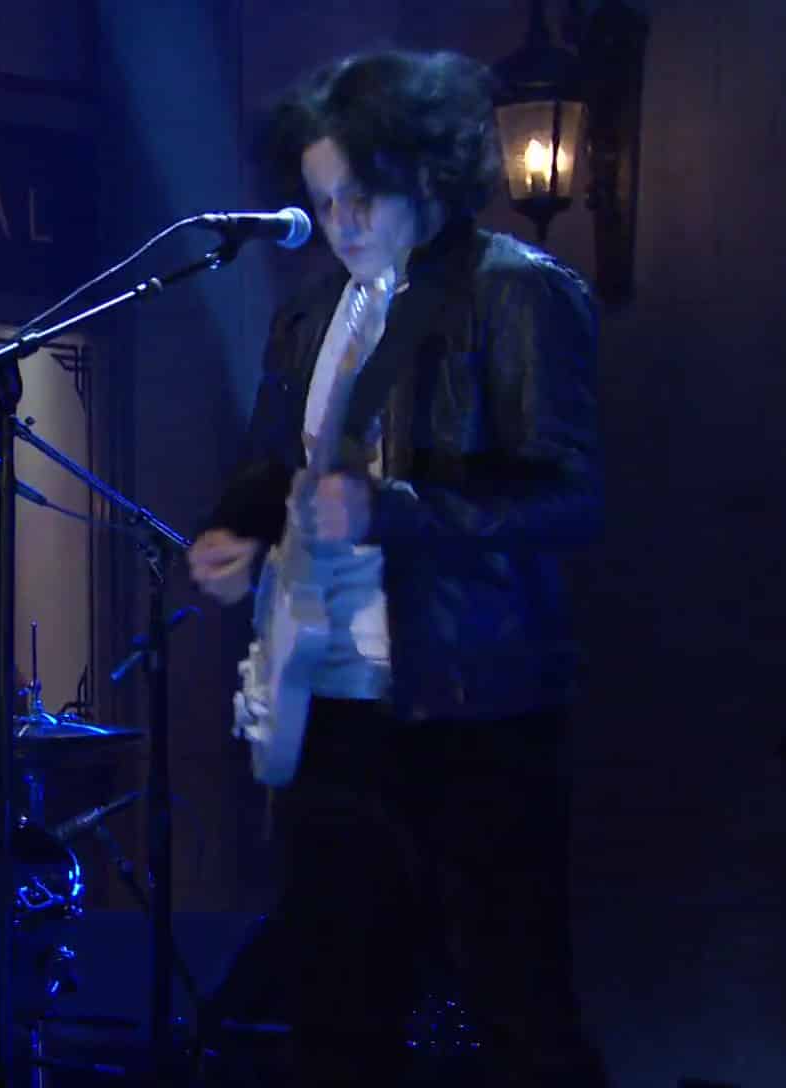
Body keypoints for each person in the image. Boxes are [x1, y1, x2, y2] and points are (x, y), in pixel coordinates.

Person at [190, 50, 608, 1086]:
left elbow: (571, 497)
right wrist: (236, 531)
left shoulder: (516, 292)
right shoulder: (309, 311)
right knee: (334, 1019)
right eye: (323, 200)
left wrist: (398, 512)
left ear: (427, 173)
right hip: (332, 707)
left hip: (474, 710)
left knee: (521, 1014)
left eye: (361, 197)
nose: (341, 223)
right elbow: (271, 461)